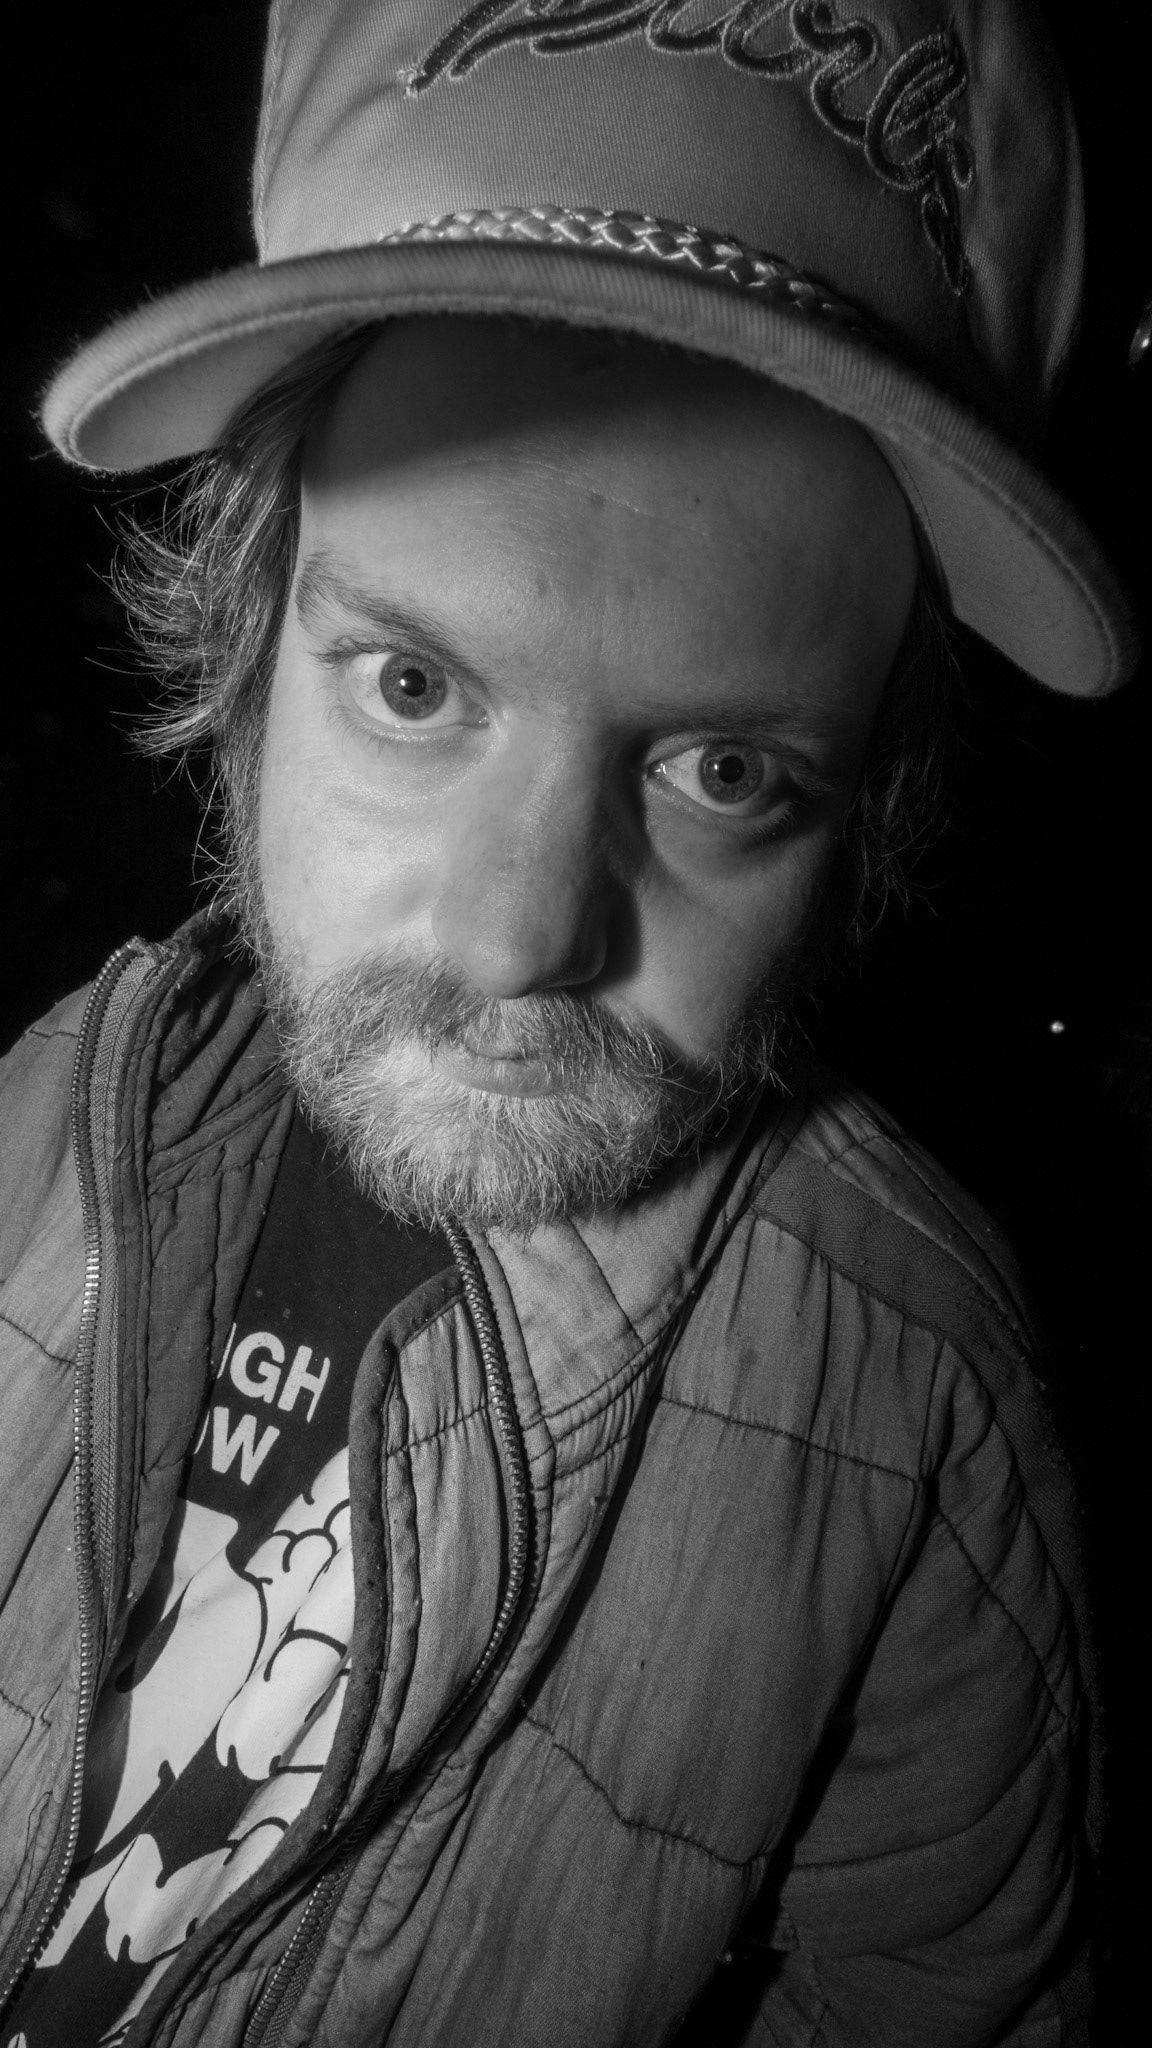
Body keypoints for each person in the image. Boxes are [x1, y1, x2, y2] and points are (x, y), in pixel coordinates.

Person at [0, 1, 1137, 2043]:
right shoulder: (40, 1103)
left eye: (724, 773)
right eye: (413, 689)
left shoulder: (919, 1428)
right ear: (244, 648)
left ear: (862, 824)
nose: (527, 934)